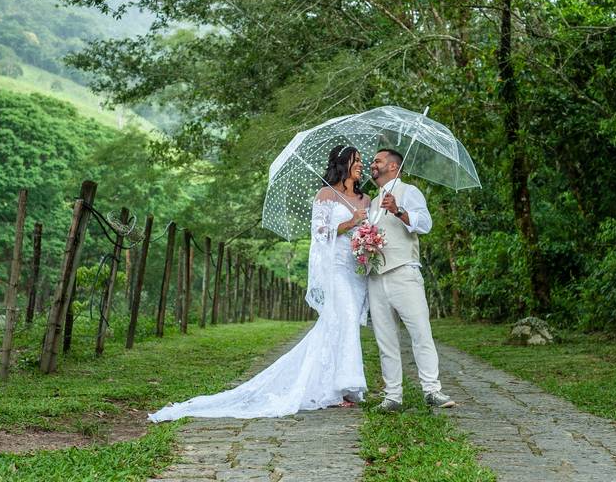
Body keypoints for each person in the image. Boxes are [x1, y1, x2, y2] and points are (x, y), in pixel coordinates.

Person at [148, 145, 370, 421]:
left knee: (340, 323)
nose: (361, 164)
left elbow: (370, 231)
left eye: (361, 160)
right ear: (342, 164)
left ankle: (340, 385)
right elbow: (320, 233)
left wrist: (369, 240)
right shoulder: (325, 194)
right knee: (343, 317)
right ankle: (340, 387)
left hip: (355, 268)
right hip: (335, 267)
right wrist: (350, 223)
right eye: (356, 160)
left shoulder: (366, 199)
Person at [367, 148, 455, 411]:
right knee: (385, 339)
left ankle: (432, 390)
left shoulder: (409, 192)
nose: (373, 164)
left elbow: (425, 224)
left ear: (393, 167)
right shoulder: (371, 203)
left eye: (378, 161)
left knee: (420, 332)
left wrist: (398, 210)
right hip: (376, 277)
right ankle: (392, 395)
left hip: (404, 272)